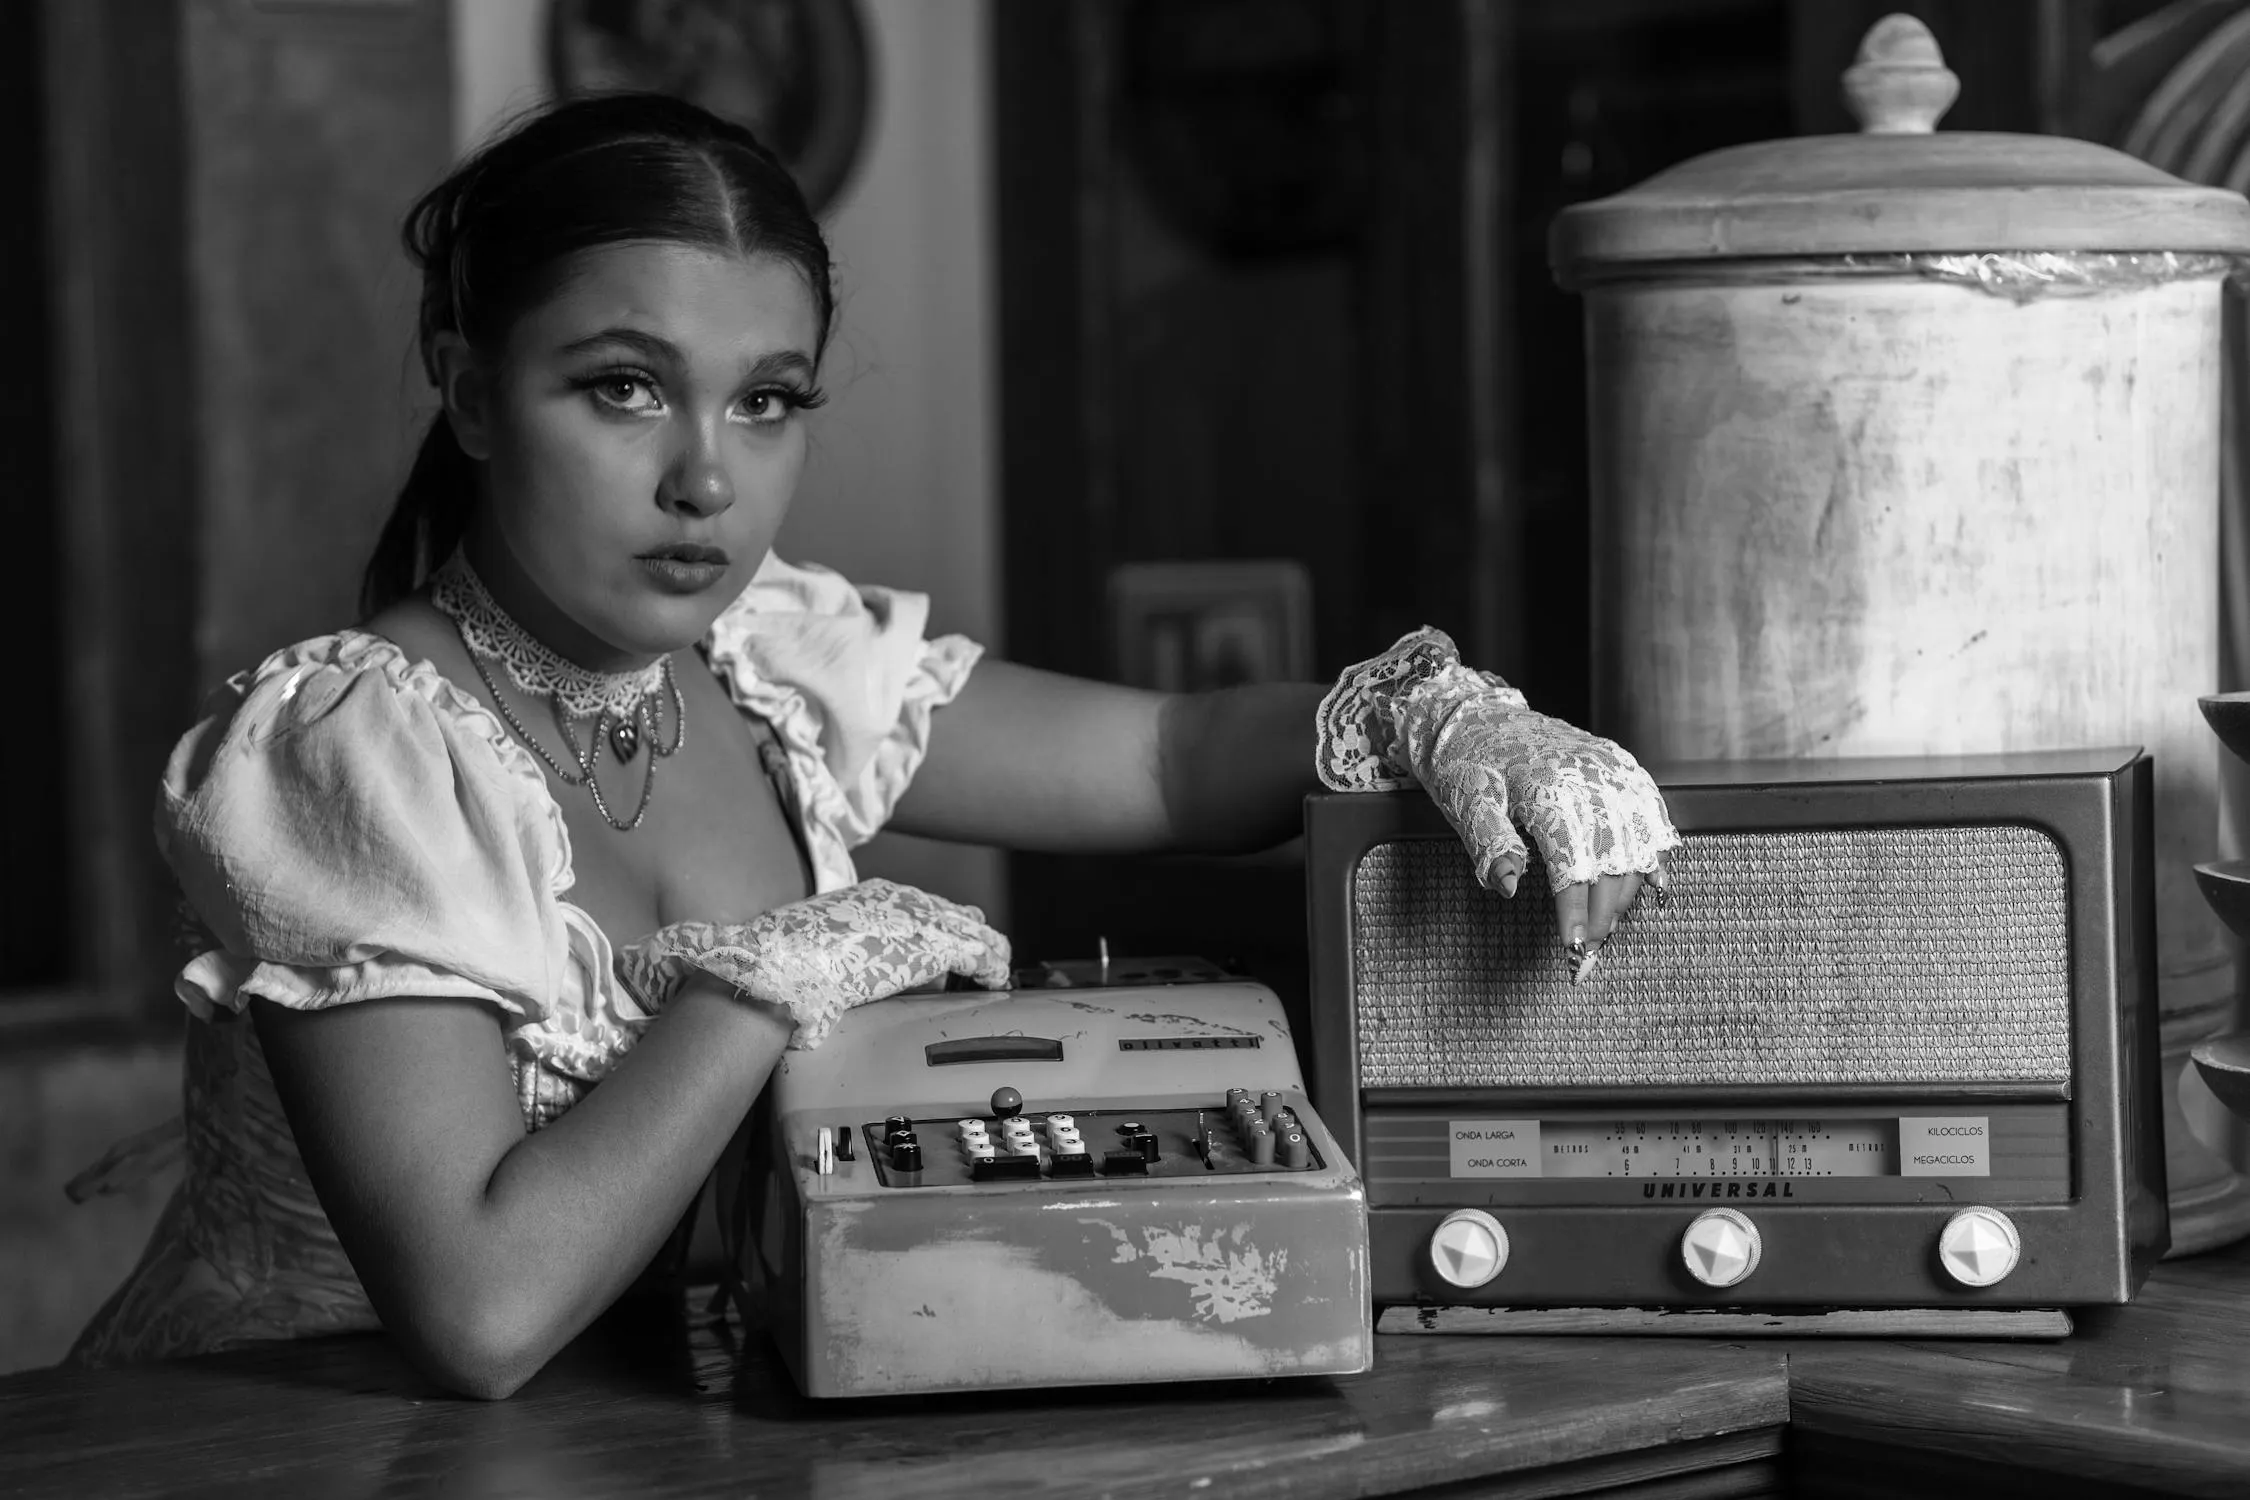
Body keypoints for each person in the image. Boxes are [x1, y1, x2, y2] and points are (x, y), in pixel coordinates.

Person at [67, 94, 1678, 1398]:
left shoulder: (774, 660)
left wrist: (1430, 718)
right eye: (622, 388)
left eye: (767, 401)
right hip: (292, 1441)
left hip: (661, 1427)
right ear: (470, 393)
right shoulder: (352, 747)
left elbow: (1172, 761)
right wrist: (770, 978)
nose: (707, 478)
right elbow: (483, 1315)